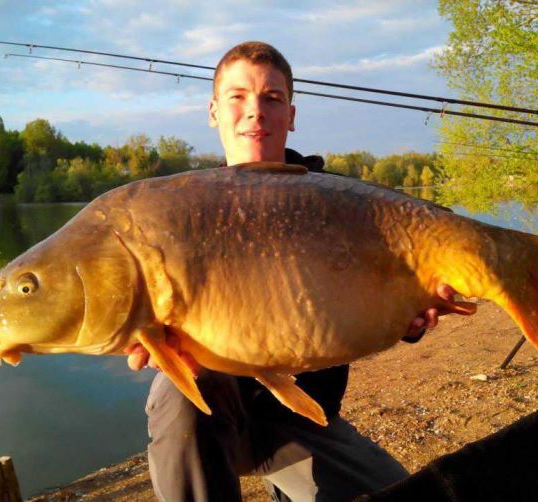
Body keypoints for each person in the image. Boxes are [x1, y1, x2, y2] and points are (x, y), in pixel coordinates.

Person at [125, 41, 458, 501]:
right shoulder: (181, 215)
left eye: (272, 98)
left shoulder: (342, 204)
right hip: (212, 414)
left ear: (291, 115)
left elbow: (382, 290)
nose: (255, 111)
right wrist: (145, 333)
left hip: (305, 418)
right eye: (237, 96)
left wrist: (407, 316)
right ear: (213, 111)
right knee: (179, 397)